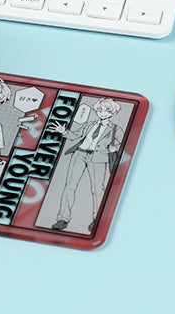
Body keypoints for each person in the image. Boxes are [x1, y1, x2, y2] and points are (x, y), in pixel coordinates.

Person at [49, 98, 123, 232]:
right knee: (70, 186)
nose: (102, 113)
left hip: (99, 158)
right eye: (100, 110)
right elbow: (75, 135)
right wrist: (63, 131)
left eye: (106, 110)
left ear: (113, 112)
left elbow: (123, 144)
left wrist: (114, 148)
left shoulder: (115, 129)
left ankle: (97, 219)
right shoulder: (89, 124)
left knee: (97, 189)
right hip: (80, 154)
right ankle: (63, 218)